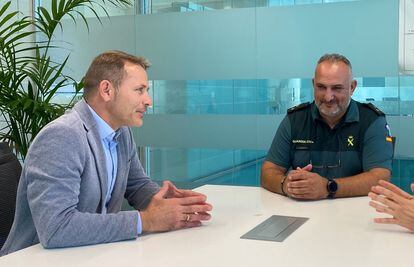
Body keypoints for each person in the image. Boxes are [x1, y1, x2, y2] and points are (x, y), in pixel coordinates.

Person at [0, 51, 212, 256]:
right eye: (139, 90)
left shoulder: (121, 132)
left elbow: (137, 185)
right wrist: (146, 220)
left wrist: (165, 202)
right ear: (107, 90)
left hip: (93, 253)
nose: (148, 100)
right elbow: (56, 228)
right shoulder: (61, 137)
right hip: (36, 259)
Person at [261, 53, 393, 200]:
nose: (328, 97)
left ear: (352, 87)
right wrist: (286, 184)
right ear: (313, 84)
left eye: (337, 88)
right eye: (321, 87)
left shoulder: (372, 121)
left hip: (354, 214)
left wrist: (328, 187)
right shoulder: (295, 120)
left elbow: (380, 177)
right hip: (304, 212)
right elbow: (268, 171)